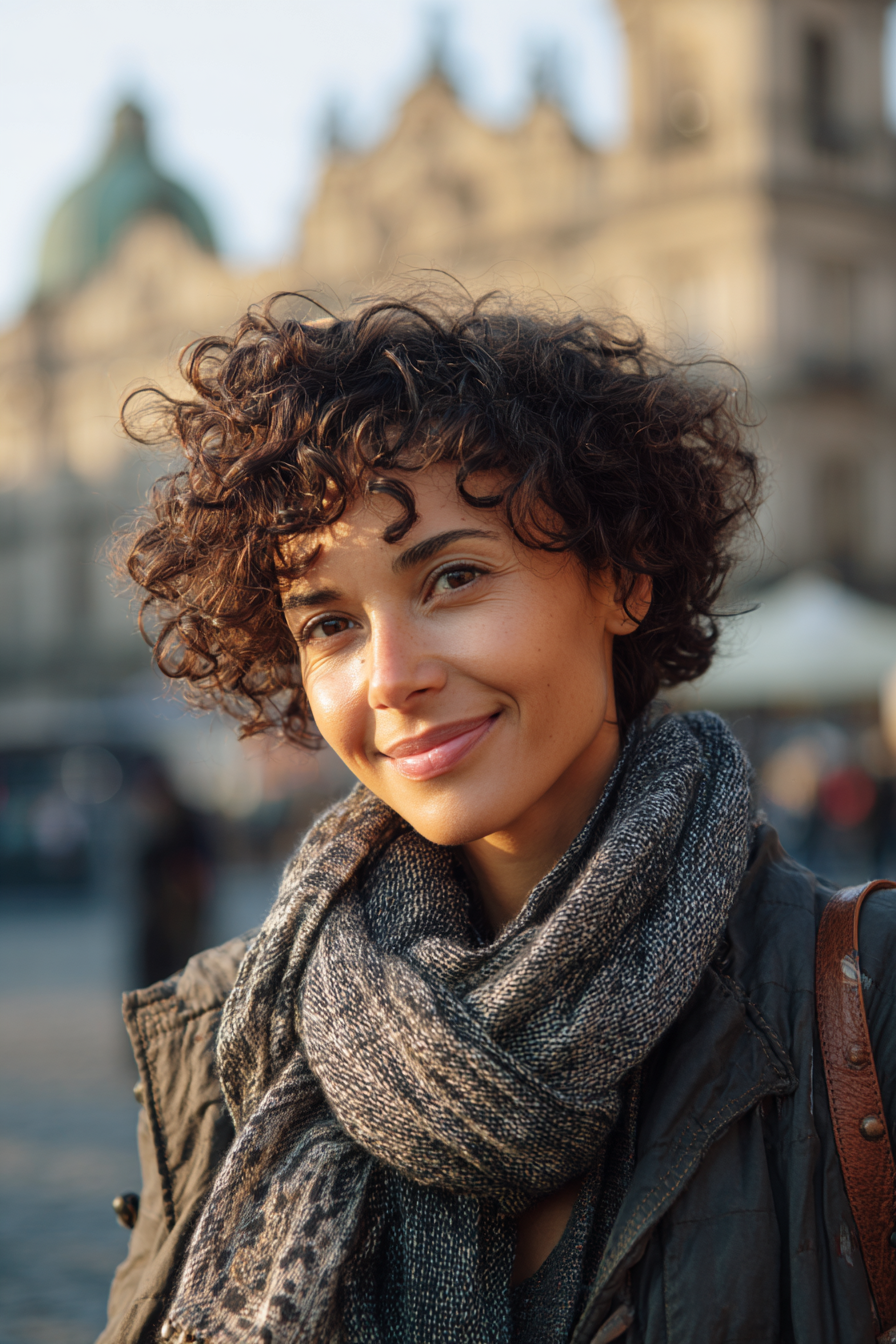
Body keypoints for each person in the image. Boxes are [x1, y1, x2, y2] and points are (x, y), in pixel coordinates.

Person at [99, 291, 896, 1344]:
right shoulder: (229, 1035)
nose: (390, 677)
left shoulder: (863, 998)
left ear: (624, 578)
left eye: (455, 576)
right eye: (329, 623)